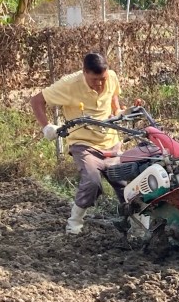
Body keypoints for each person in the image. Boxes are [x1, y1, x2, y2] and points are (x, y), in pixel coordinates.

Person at [30, 52, 122, 235]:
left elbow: (114, 98)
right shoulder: (69, 85)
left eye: (102, 79)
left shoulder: (111, 77)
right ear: (84, 72)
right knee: (92, 181)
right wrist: (46, 127)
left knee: (127, 184)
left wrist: (117, 110)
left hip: (111, 141)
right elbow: (36, 100)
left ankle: (139, 225)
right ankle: (75, 223)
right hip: (83, 143)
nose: (100, 84)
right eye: (95, 80)